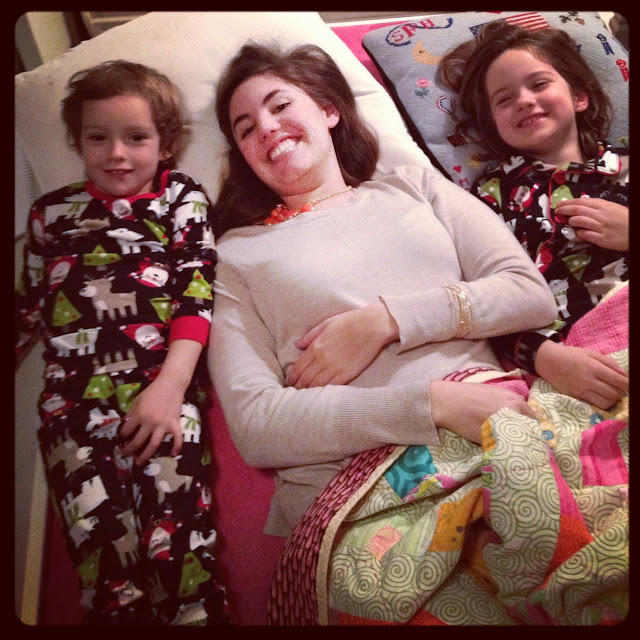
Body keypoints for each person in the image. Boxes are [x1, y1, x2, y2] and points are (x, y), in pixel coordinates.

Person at [208, 43, 558, 538]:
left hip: (499, 437)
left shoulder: (414, 187)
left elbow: (527, 293)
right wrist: (432, 404)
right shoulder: (234, 255)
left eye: (280, 105)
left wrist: (388, 321)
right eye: (245, 129)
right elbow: (257, 425)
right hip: (358, 500)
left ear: (328, 110)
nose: (265, 127)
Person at [15, 60, 230, 625]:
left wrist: (171, 386)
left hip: (161, 393)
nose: (116, 154)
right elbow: (26, 307)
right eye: (98, 138)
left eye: (136, 137)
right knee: (106, 569)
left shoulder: (180, 197)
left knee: (181, 552)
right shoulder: (49, 214)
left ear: (166, 144)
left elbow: (196, 295)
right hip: (69, 408)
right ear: (76, 142)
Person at [437, 20, 629, 411]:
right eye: (504, 99)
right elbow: (483, 305)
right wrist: (543, 357)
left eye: (539, 84)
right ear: (493, 124)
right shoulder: (488, 199)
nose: (524, 100)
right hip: (580, 356)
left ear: (579, 97)